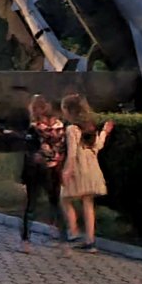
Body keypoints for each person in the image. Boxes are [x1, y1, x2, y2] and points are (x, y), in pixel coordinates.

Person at [59, 94, 113, 253]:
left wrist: (67, 171)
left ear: (69, 111)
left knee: (65, 198)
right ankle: (90, 241)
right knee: (88, 203)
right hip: (92, 167)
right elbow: (98, 146)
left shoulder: (72, 129)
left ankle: (74, 232)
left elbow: (72, 153)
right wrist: (104, 132)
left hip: (78, 168)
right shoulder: (91, 127)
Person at [19, 95, 67, 254]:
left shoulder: (35, 128)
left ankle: (26, 240)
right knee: (54, 204)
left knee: (33, 204)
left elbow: (29, 150)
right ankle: (63, 241)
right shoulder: (61, 129)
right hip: (51, 168)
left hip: (40, 170)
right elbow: (61, 149)